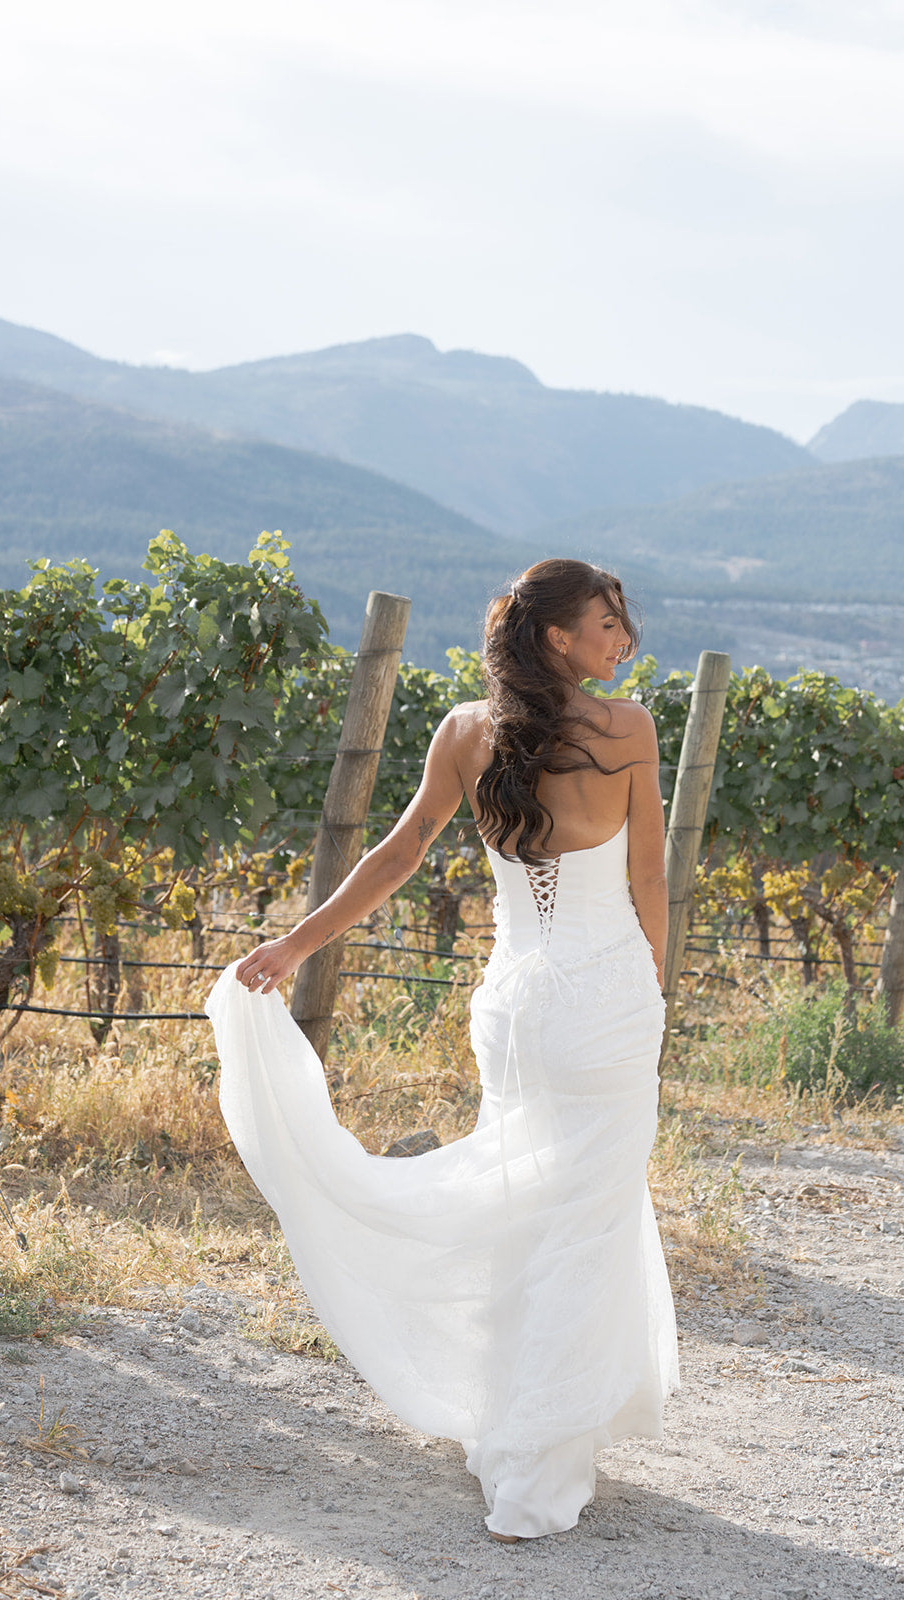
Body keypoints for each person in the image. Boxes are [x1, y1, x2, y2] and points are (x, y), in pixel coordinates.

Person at [206, 557, 679, 1542]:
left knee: (523, 1210)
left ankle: (509, 1419)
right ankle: (538, 1474)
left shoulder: (465, 731)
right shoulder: (626, 727)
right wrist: (655, 997)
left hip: (513, 1009)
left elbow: (398, 849)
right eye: (603, 621)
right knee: (580, 1226)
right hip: (602, 1005)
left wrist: (294, 945)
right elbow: (647, 881)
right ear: (555, 635)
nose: (619, 638)